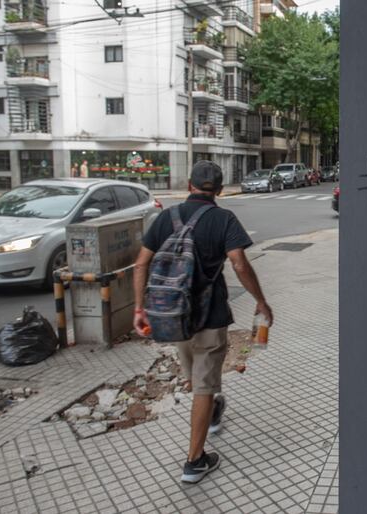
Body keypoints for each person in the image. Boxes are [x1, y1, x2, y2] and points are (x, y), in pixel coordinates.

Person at [132, 160, 273, 484]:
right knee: (203, 386)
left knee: (198, 380)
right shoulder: (223, 219)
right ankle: (195, 461)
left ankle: (213, 406)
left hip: (173, 316)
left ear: (188, 185)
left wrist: (140, 309)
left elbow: (141, 265)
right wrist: (260, 300)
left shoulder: (166, 217)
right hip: (210, 315)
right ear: (220, 191)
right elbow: (238, 264)